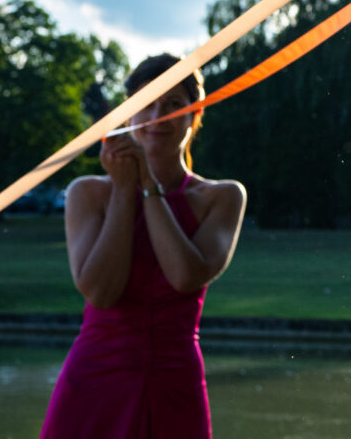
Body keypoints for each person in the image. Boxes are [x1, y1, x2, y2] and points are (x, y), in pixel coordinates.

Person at [41, 54, 247, 439]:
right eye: (147, 103)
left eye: (173, 105)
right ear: (128, 114)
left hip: (175, 378)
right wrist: (123, 188)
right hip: (95, 377)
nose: (159, 115)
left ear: (194, 116)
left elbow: (184, 277)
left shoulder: (222, 196)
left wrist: (149, 187)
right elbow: (101, 293)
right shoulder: (87, 192)